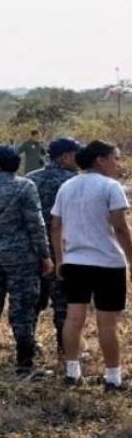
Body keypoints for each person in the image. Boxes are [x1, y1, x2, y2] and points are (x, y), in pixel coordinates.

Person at [0, 146, 53, 376]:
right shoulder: (25, 187)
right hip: (21, 259)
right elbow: (36, 224)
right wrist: (44, 255)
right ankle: (24, 367)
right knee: (22, 309)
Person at [51, 140, 132, 390]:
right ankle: (112, 378)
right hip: (107, 262)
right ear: (101, 160)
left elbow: (55, 225)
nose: (118, 164)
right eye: (115, 158)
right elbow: (120, 226)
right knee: (106, 323)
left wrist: (60, 259)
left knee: (74, 318)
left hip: (75, 262)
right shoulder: (111, 187)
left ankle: (72, 373)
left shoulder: (67, 186)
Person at [28, 137, 81, 354]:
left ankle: (28, 344)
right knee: (63, 302)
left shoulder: (30, 179)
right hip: (63, 250)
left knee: (33, 300)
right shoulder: (72, 182)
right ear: (65, 156)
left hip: (34, 250)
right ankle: (64, 348)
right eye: (76, 154)